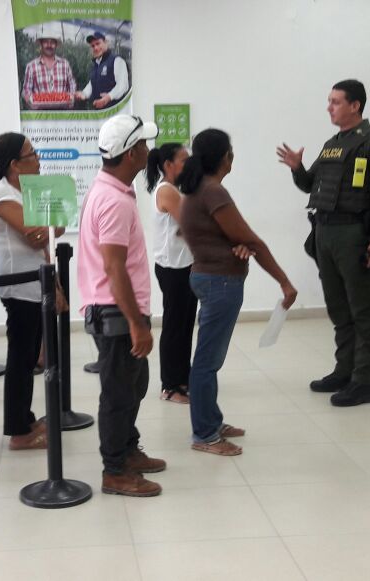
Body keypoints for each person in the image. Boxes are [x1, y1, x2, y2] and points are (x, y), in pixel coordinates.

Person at [276, 78, 370, 407]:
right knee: (338, 307)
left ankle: (363, 381)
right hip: (325, 233)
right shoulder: (332, 144)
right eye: (329, 101)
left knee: (362, 309)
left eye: (336, 101)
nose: (329, 107)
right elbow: (310, 184)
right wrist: (297, 168)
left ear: (355, 105)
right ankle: (344, 370)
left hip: (354, 235)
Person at [179, 129, 298, 456]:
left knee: (209, 360)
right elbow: (253, 240)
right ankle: (204, 435)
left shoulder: (196, 189)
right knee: (207, 362)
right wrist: (284, 282)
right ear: (225, 158)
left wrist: (237, 243)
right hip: (220, 283)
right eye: (231, 153)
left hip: (209, 277)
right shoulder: (213, 191)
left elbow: (227, 235)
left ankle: (211, 422)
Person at [78, 114, 165, 496]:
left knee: (134, 385)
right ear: (131, 154)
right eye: (143, 145)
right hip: (116, 312)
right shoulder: (113, 201)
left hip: (118, 310)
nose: (148, 150)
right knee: (117, 393)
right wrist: (137, 323)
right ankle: (114, 470)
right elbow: (114, 267)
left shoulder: (113, 191)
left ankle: (128, 451)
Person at [0, 132, 68, 450]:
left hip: (36, 283)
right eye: (32, 155)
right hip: (17, 286)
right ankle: (18, 431)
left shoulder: (28, 192)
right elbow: (36, 234)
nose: (38, 159)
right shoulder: (0, 194)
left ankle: (25, 418)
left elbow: (51, 232)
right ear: (15, 164)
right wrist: (48, 225)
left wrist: (55, 282)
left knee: (31, 355)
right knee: (21, 358)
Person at [146, 143, 195, 404]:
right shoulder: (166, 190)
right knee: (175, 326)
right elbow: (191, 223)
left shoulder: (178, 190)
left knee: (186, 324)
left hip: (185, 265)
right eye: (184, 160)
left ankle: (183, 378)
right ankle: (170, 386)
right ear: (168, 165)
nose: (189, 164)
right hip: (172, 268)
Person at [21, 29, 76, 110]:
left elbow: (72, 84)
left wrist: (72, 96)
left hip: (63, 112)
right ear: (41, 44)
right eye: (46, 42)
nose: (49, 45)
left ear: (56, 44)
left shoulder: (65, 64)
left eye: (52, 42)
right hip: (40, 114)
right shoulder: (31, 66)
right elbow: (26, 90)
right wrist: (28, 99)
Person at [73, 32, 129, 110]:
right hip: (100, 111)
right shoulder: (96, 64)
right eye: (92, 46)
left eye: (98, 43)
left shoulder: (117, 60)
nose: (95, 48)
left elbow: (123, 85)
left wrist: (108, 97)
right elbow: (92, 83)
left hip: (114, 111)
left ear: (106, 42)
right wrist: (84, 94)